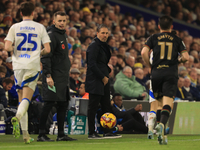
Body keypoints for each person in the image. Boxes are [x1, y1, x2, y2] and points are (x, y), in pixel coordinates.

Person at [4, 2, 51, 144]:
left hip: (18, 65)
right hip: (32, 65)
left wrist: (18, 50)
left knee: (21, 99)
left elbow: (7, 47)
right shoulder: (39, 27)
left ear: (20, 13)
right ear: (33, 13)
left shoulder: (14, 27)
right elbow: (47, 49)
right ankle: (17, 117)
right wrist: (38, 52)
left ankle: (25, 135)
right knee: (27, 99)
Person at [141, 15, 189, 145]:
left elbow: (143, 53)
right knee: (167, 104)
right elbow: (186, 57)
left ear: (159, 26)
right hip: (170, 74)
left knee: (158, 103)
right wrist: (178, 60)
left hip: (156, 74)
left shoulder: (153, 38)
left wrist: (149, 65)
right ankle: (161, 125)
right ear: (172, 26)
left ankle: (160, 135)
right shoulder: (177, 39)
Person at [37, 11, 76, 142]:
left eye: (64, 21)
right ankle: (41, 134)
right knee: (48, 104)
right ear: (54, 21)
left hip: (63, 78)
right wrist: (48, 75)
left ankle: (60, 134)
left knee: (63, 105)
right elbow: (46, 57)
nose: (62, 23)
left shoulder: (62, 35)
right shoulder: (51, 36)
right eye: (59, 21)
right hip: (53, 78)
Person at [85, 24, 121, 139]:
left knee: (106, 106)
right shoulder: (94, 46)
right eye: (102, 33)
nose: (105, 35)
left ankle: (107, 131)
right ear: (97, 33)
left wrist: (108, 70)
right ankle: (91, 132)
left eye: (106, 33)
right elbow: (91, 64)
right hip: (96, 80)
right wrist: (102, 76)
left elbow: (101, 63)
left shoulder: (103, 46)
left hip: (103, 79)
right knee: (93, 107)